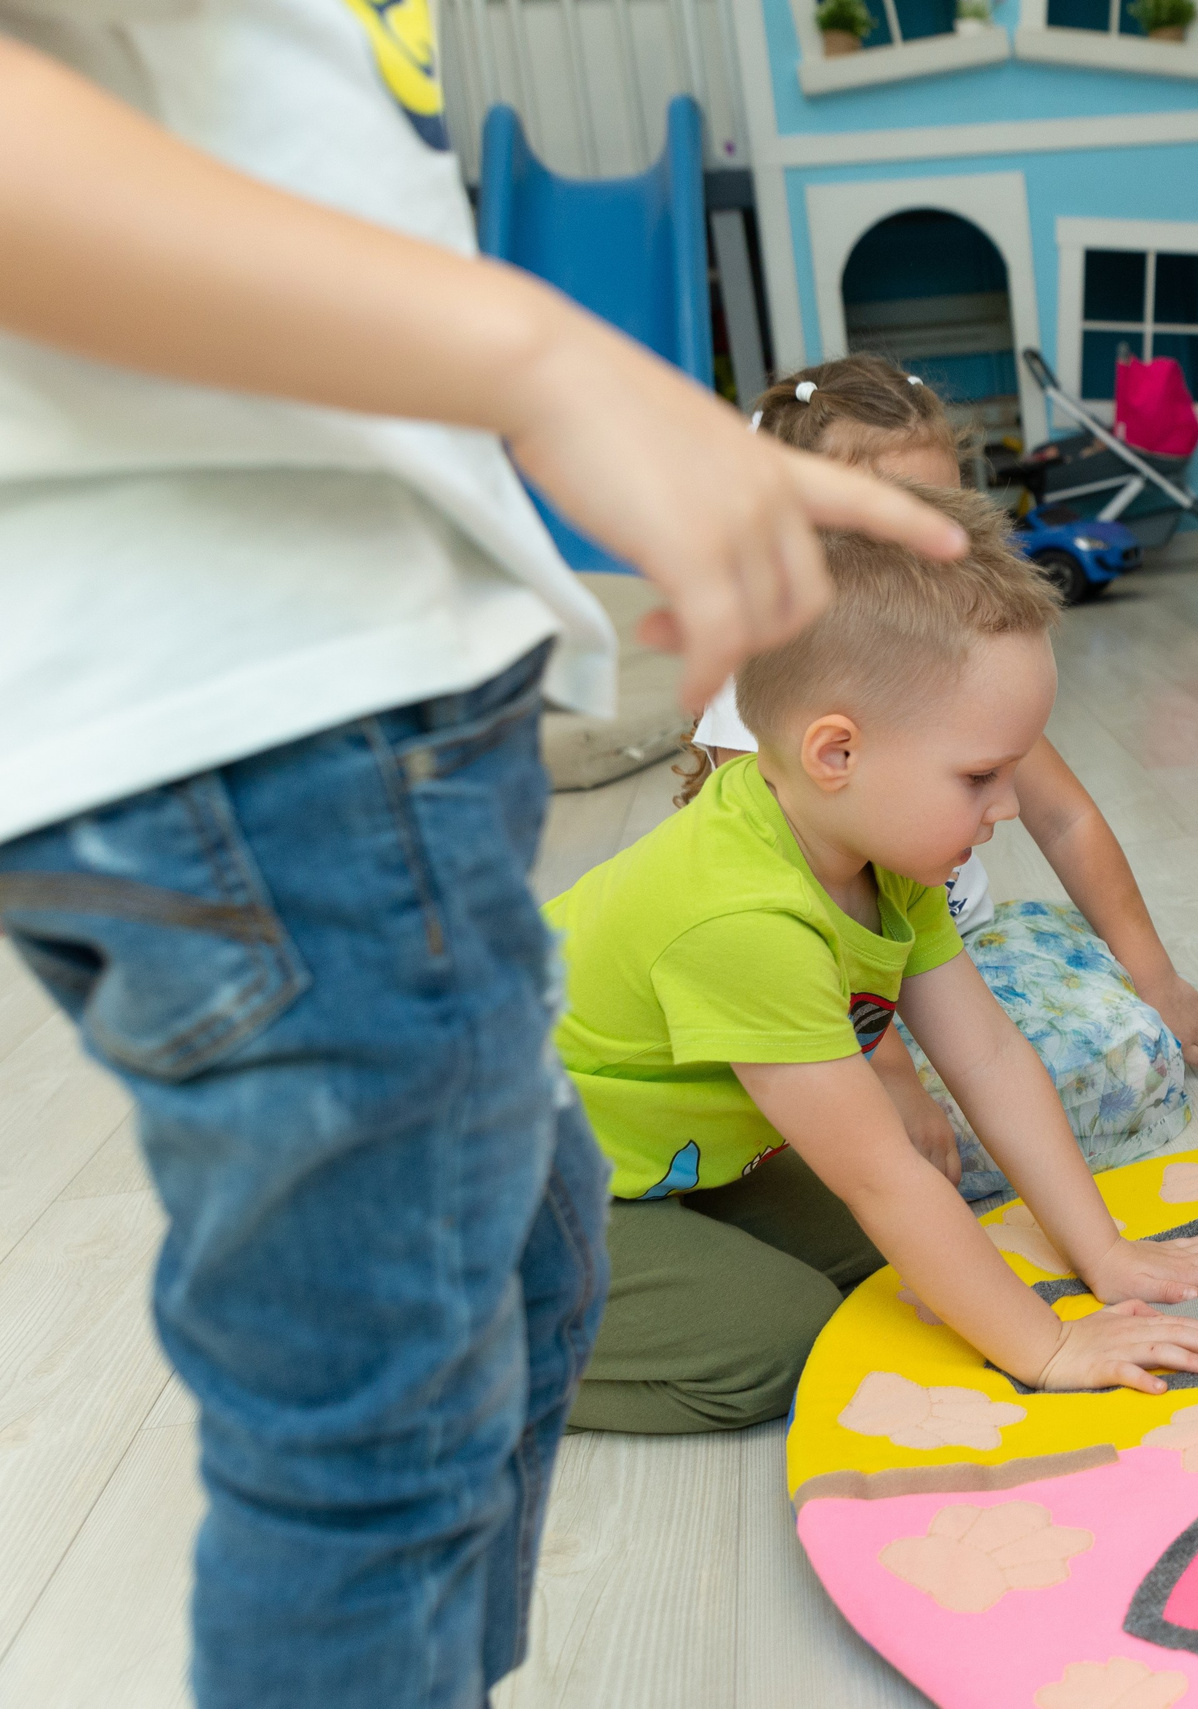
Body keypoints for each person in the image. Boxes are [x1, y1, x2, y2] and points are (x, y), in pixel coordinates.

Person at [0, 21, 957, 1708]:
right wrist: (544, 360)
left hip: (357, 719)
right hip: (258, 717)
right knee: (381, 1419)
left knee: (526, 1275)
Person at [549, 487, 1198, 1434]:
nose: (1009, 806)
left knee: (913, 1256)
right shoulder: (742, 916)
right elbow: (881, 1175)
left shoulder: (880, 856)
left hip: (635, 1158)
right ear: (836, 753)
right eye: (980, 775)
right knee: (777, 1343)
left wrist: (1103, 1252)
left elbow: (989, 1058)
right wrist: (1048, 1347)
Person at [685, 357, 1198, 1199]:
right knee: (870, 1124)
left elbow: (1066, 819)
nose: (932, 551)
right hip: (829, 994)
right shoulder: (759, 670)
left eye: (947, 520)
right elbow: (791, 913)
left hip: (947, 954)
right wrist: (893, 1074)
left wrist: (1154, 976)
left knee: (1119, 1018)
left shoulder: (945, 644)